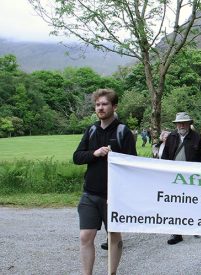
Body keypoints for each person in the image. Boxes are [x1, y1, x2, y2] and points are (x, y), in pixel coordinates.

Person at [73, 88, 137, 275]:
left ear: (114, 106)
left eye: (104, 104)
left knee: (114, 236)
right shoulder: (91, 130)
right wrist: (95, 153)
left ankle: (112, 272)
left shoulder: (122, 131)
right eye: (98, 104)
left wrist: (119, 194)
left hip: (113, 196)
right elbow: (77, 157)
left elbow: (131, 163)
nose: (100, 108)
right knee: (86, 236)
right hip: (90, 193)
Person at [161, 112, 201, 245]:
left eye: (184, 122)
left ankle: (195, 226)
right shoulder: (171, 137)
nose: (181, 125)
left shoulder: (197, 137)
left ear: (189, 124)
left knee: (193, 202)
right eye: (179, 123)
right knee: (176, 204)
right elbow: (165, 156)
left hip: (192, 178)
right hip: (175, 177)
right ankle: (176, 233)